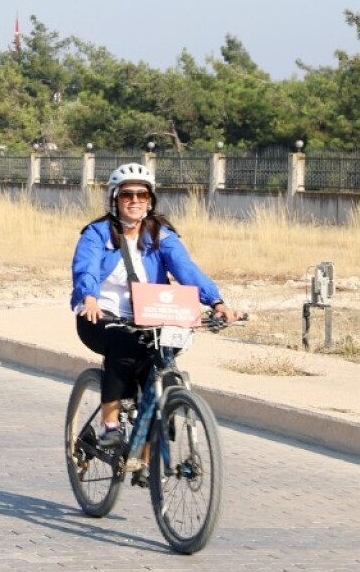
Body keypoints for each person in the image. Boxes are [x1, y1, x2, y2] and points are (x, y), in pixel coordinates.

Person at [71, 163, 242, 475]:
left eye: (142, 194)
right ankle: (110, 426)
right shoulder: (97, 234)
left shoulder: (162, 236)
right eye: (127, 195)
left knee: (160, 366)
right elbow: (87, 268)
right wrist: (89, 296)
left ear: (150, 199)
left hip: (150, 317)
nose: (134, 200)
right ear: (114, 198)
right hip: (101, 315)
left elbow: (186, 269)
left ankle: (146, 454)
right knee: (123, 348)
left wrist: (216, 301)